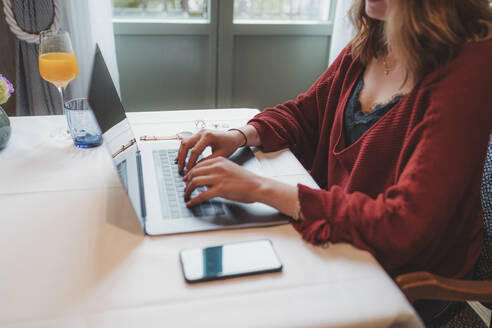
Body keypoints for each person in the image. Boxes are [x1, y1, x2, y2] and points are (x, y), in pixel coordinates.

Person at [176, 0, 492, 323]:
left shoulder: (469, 66)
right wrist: (241, 135)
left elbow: (403, 226)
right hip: (346, 234)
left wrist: (258, 188)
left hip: (411, 275)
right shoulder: (375, 37)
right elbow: (306, 112)